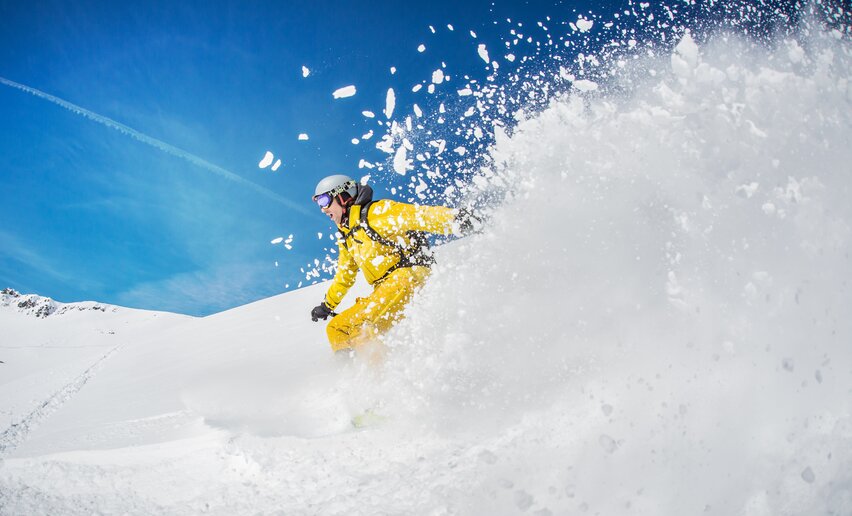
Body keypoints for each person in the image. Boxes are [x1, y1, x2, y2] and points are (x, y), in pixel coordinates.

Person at [309, 174, 475, 354]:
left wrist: (455, 219)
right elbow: (344, 275)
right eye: (319, 204)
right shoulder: (347, 236)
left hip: (407, 276)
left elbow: (417, 216)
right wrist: (327, 306)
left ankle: (376, 368)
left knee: (360, 326)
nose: (323, 209)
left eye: (324, 201)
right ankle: (351, 366)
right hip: (384, 288)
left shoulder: (375, 213)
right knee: (337, 328)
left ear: (343, 195)